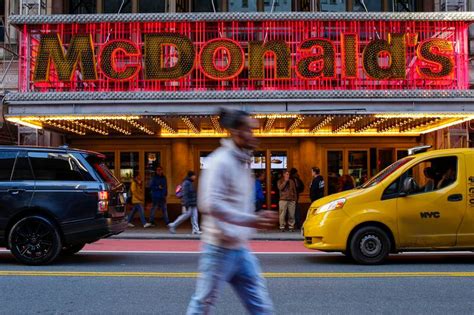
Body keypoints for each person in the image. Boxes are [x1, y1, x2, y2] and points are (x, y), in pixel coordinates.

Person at [187, 108, 278, 315]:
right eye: (249, 130)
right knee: (202, 304)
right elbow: (210, 204)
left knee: (260, 304)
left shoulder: (243, 160)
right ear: (236, 132)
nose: (254, 135)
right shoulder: (220, 161)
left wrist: (250, 222)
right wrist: (253, 220)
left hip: (240, 248)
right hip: (218, 248)